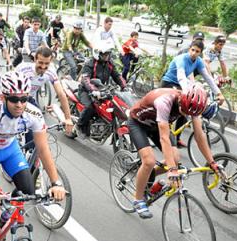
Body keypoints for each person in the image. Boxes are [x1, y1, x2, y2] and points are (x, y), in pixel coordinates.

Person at [0, 71, 66, 241]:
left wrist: (56, 183)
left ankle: (6, 213)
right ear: (2, 97)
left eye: (24, 99)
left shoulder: (33, 113)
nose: (19, 104)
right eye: (14, 99)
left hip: (10, 150)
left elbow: (43, 149)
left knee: (29, 192)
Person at [128, 84, 210, 218]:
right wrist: (172, 170)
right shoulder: (164, 101)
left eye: (191, 114)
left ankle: (147, 175)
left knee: (176, 158)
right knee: (149, 161)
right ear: (181, 100)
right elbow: (164, 138)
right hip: (138, 123)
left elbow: (199, 136)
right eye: (184, 111)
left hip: (157, 124)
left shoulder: (193, 107)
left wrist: (211, 162)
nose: (186, 115)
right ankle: (138, 199)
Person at [161, 39, 224, 148]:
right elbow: (181, 76)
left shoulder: (199, 61)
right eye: (192, 50)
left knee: (185, 111)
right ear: (189, 49)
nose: (194, 53)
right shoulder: (182, 59)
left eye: (197, 51)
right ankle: (163, 132)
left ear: (200, 53)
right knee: (177, 107)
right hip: (169, 83)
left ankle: (177, 138)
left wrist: (219, 93)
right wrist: (187, 92)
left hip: (181, 84)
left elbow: (207, 77)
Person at [15, 46, 74, 136]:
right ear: (35, 59)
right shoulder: (22, 69)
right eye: (40, 63)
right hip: (15, 98)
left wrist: (68, 118)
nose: (43, 67)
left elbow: (61, 94)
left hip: (30, 99)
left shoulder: (50, 72)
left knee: (39, 128)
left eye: (47, 64)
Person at [75, 45, 126, 136]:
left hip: (101, 90)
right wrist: (93, 90)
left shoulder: (109, 63)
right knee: (90, 107)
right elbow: (85, 79)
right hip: (86, 90)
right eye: (104, 54)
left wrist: (124, 86)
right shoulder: (90, 63)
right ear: (97, 54)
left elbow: (117, 75)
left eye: (108, 54)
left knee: (113, 105)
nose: (106, 56)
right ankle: (79, 126)